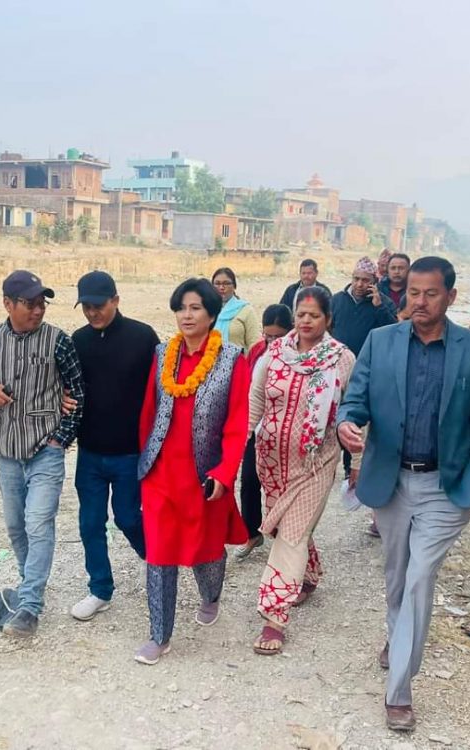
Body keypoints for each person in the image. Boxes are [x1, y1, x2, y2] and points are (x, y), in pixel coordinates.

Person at [337, 256, 470, 732]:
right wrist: (348, 422)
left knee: (419, 578)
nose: (420, 302)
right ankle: (398, 635)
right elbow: (355, 398)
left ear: (451, 296)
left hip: (445, 488)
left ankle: (400, 692)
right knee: (396, 577)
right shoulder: (380, 341)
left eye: (431, 293)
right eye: (413, 293)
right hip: (392, 481)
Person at [134, 278, 251, 665]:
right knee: (159, 553)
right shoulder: (162, 353)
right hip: (161, 473)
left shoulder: (232, 359)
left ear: (212, 314)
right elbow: (149, 412)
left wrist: (225, 472)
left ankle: (211, 595)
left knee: (207, 549)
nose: (187, 315)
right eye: (181, 308)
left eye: (195, 307)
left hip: (204, 475)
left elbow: (237, 423)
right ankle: (160, 635)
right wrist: (143, 463)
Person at [0, 270, 85, 638]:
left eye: (41, 304)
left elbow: (79, 394)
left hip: (45, 450)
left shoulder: (58, 341)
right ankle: (28, 585)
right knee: (16, 526)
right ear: (8, 304)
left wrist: (60, 440)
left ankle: (30, 605)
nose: (38, 310)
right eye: (30, 304)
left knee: (38, 523)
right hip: (7, 452)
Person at [248, 288, 355, 655]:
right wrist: (241, 441)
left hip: (315, 463)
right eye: (301, 314)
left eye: (314, 315)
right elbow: (256, 398)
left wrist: (356, 461)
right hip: (271, 461)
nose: (306, 321)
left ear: (328, 319)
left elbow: (356, 410)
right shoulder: (276, 352)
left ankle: (274, 617)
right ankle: (307, 577)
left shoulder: (341, 359)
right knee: (285, 526)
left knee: (291, 533)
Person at [69, 271, 159, 621]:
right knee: (90, 523)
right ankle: (100, 590)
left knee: (127, 517)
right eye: (86, 307)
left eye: (99, 306)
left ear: (116, 301)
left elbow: (161, 392)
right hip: (90, 452)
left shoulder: (143, 337)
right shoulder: (78, 341)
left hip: (130, 453)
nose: (93, 313)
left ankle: (156, 559)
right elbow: (67, 386)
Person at [331, 256, 398, 537]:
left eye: (365, 281)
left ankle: (354, 470)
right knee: (335, 417)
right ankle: (338, 464)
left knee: (359, 421)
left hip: (369, 372)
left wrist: (379, 306)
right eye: (356, 278)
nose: (359, 284)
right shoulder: (337, 300)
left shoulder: (383, 304)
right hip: (336, 369)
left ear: (374, 282)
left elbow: (393, 331)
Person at [236, 303, 294, 560]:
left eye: (277, 336)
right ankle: (252, 532)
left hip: (285, 430)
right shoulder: (258, 351)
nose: (272, 342)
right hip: (256, 427)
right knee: (249, 479)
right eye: (267, 335)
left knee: (283, 485)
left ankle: (286, 535)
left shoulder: (300, 355)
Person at [212, 267, 261, 350]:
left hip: (239, 358)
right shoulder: (207, 310)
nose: (221, 287)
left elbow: (254, 343)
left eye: (226, 283)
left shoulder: (246, 310)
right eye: (217, 283)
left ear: (234, 286)